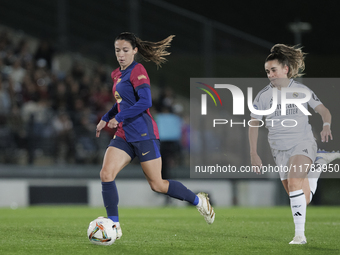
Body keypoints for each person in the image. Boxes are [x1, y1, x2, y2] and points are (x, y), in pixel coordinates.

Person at [95, 32, 215, 239]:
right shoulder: (117, 74)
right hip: (124, 135)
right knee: (106, 174)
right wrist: (106, 117)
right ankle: (114, 225)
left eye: (125, 50)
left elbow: (145, 101)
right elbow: (121, 101)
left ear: (135, 50)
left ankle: (199, 201)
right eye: (117, 50)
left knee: (157, 184)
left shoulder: (138, 70)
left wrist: (120, 116)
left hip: (143, 133)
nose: (121, 55)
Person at [248, 44, 340, 244]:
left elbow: (325, 111)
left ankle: (299, 235)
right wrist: (253, 153)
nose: (270, 75)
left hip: (303, 142)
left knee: (294, 181)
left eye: (273, 70)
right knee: (302, 198)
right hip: (279, 149)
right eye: (267, 71)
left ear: (285, 69)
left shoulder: (301, 90)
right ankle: (318, 166)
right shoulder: (263, 96)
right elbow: (254, 124)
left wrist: (326, 125)